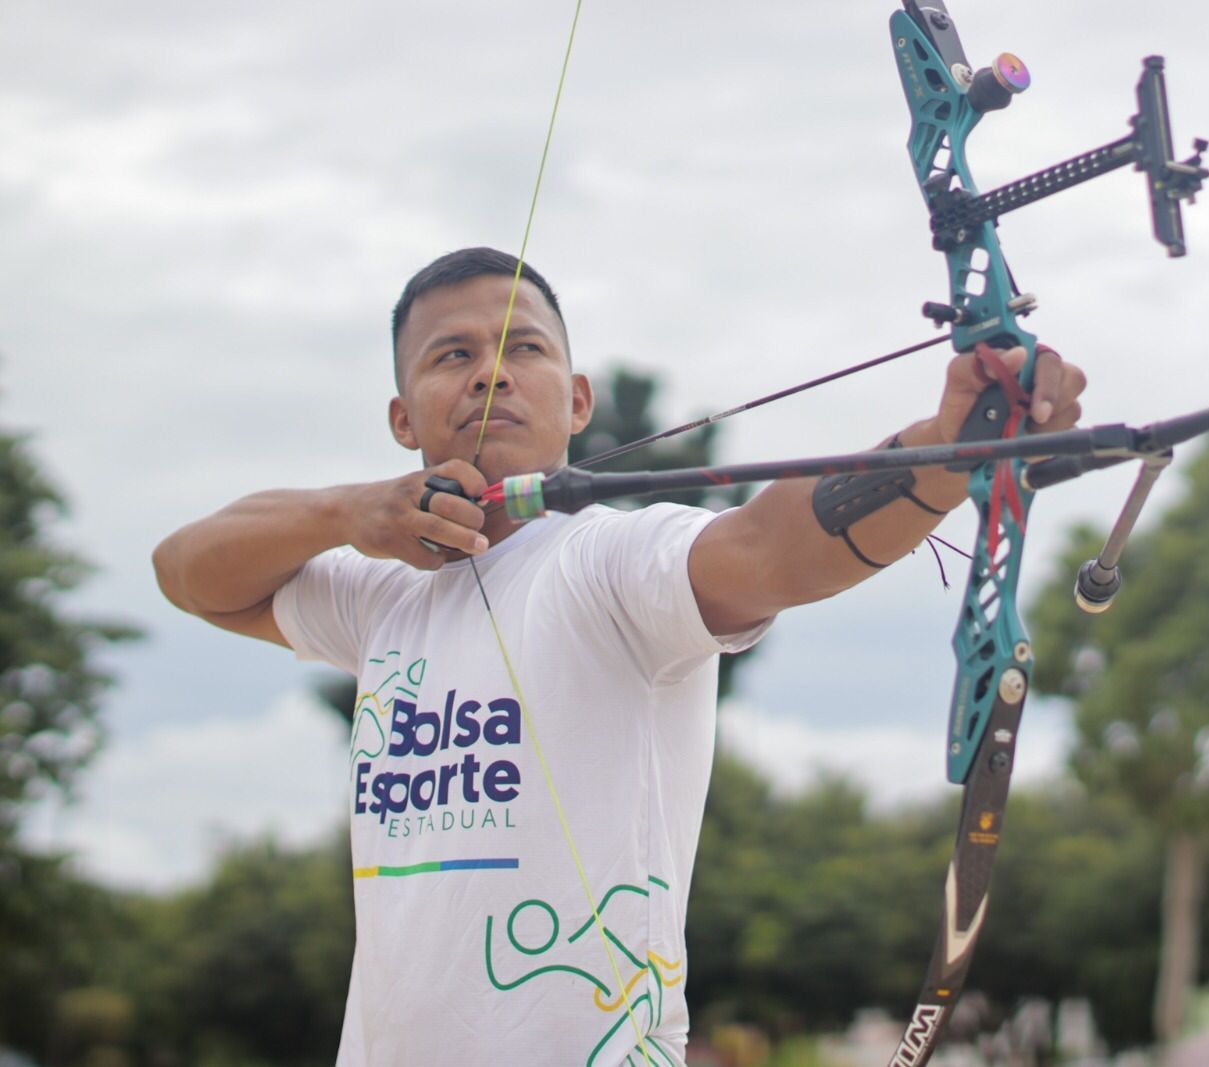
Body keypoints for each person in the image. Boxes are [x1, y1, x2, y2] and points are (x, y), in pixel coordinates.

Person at [152, 247, 1087, 1065]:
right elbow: (186, 569)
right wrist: (346, 512)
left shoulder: (607, 561)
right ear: (405, 418)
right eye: (453, 355)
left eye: (525, 348)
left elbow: (767, 548)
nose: (491, 374)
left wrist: (942, 450)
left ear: (579, 397)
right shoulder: (379, 595)